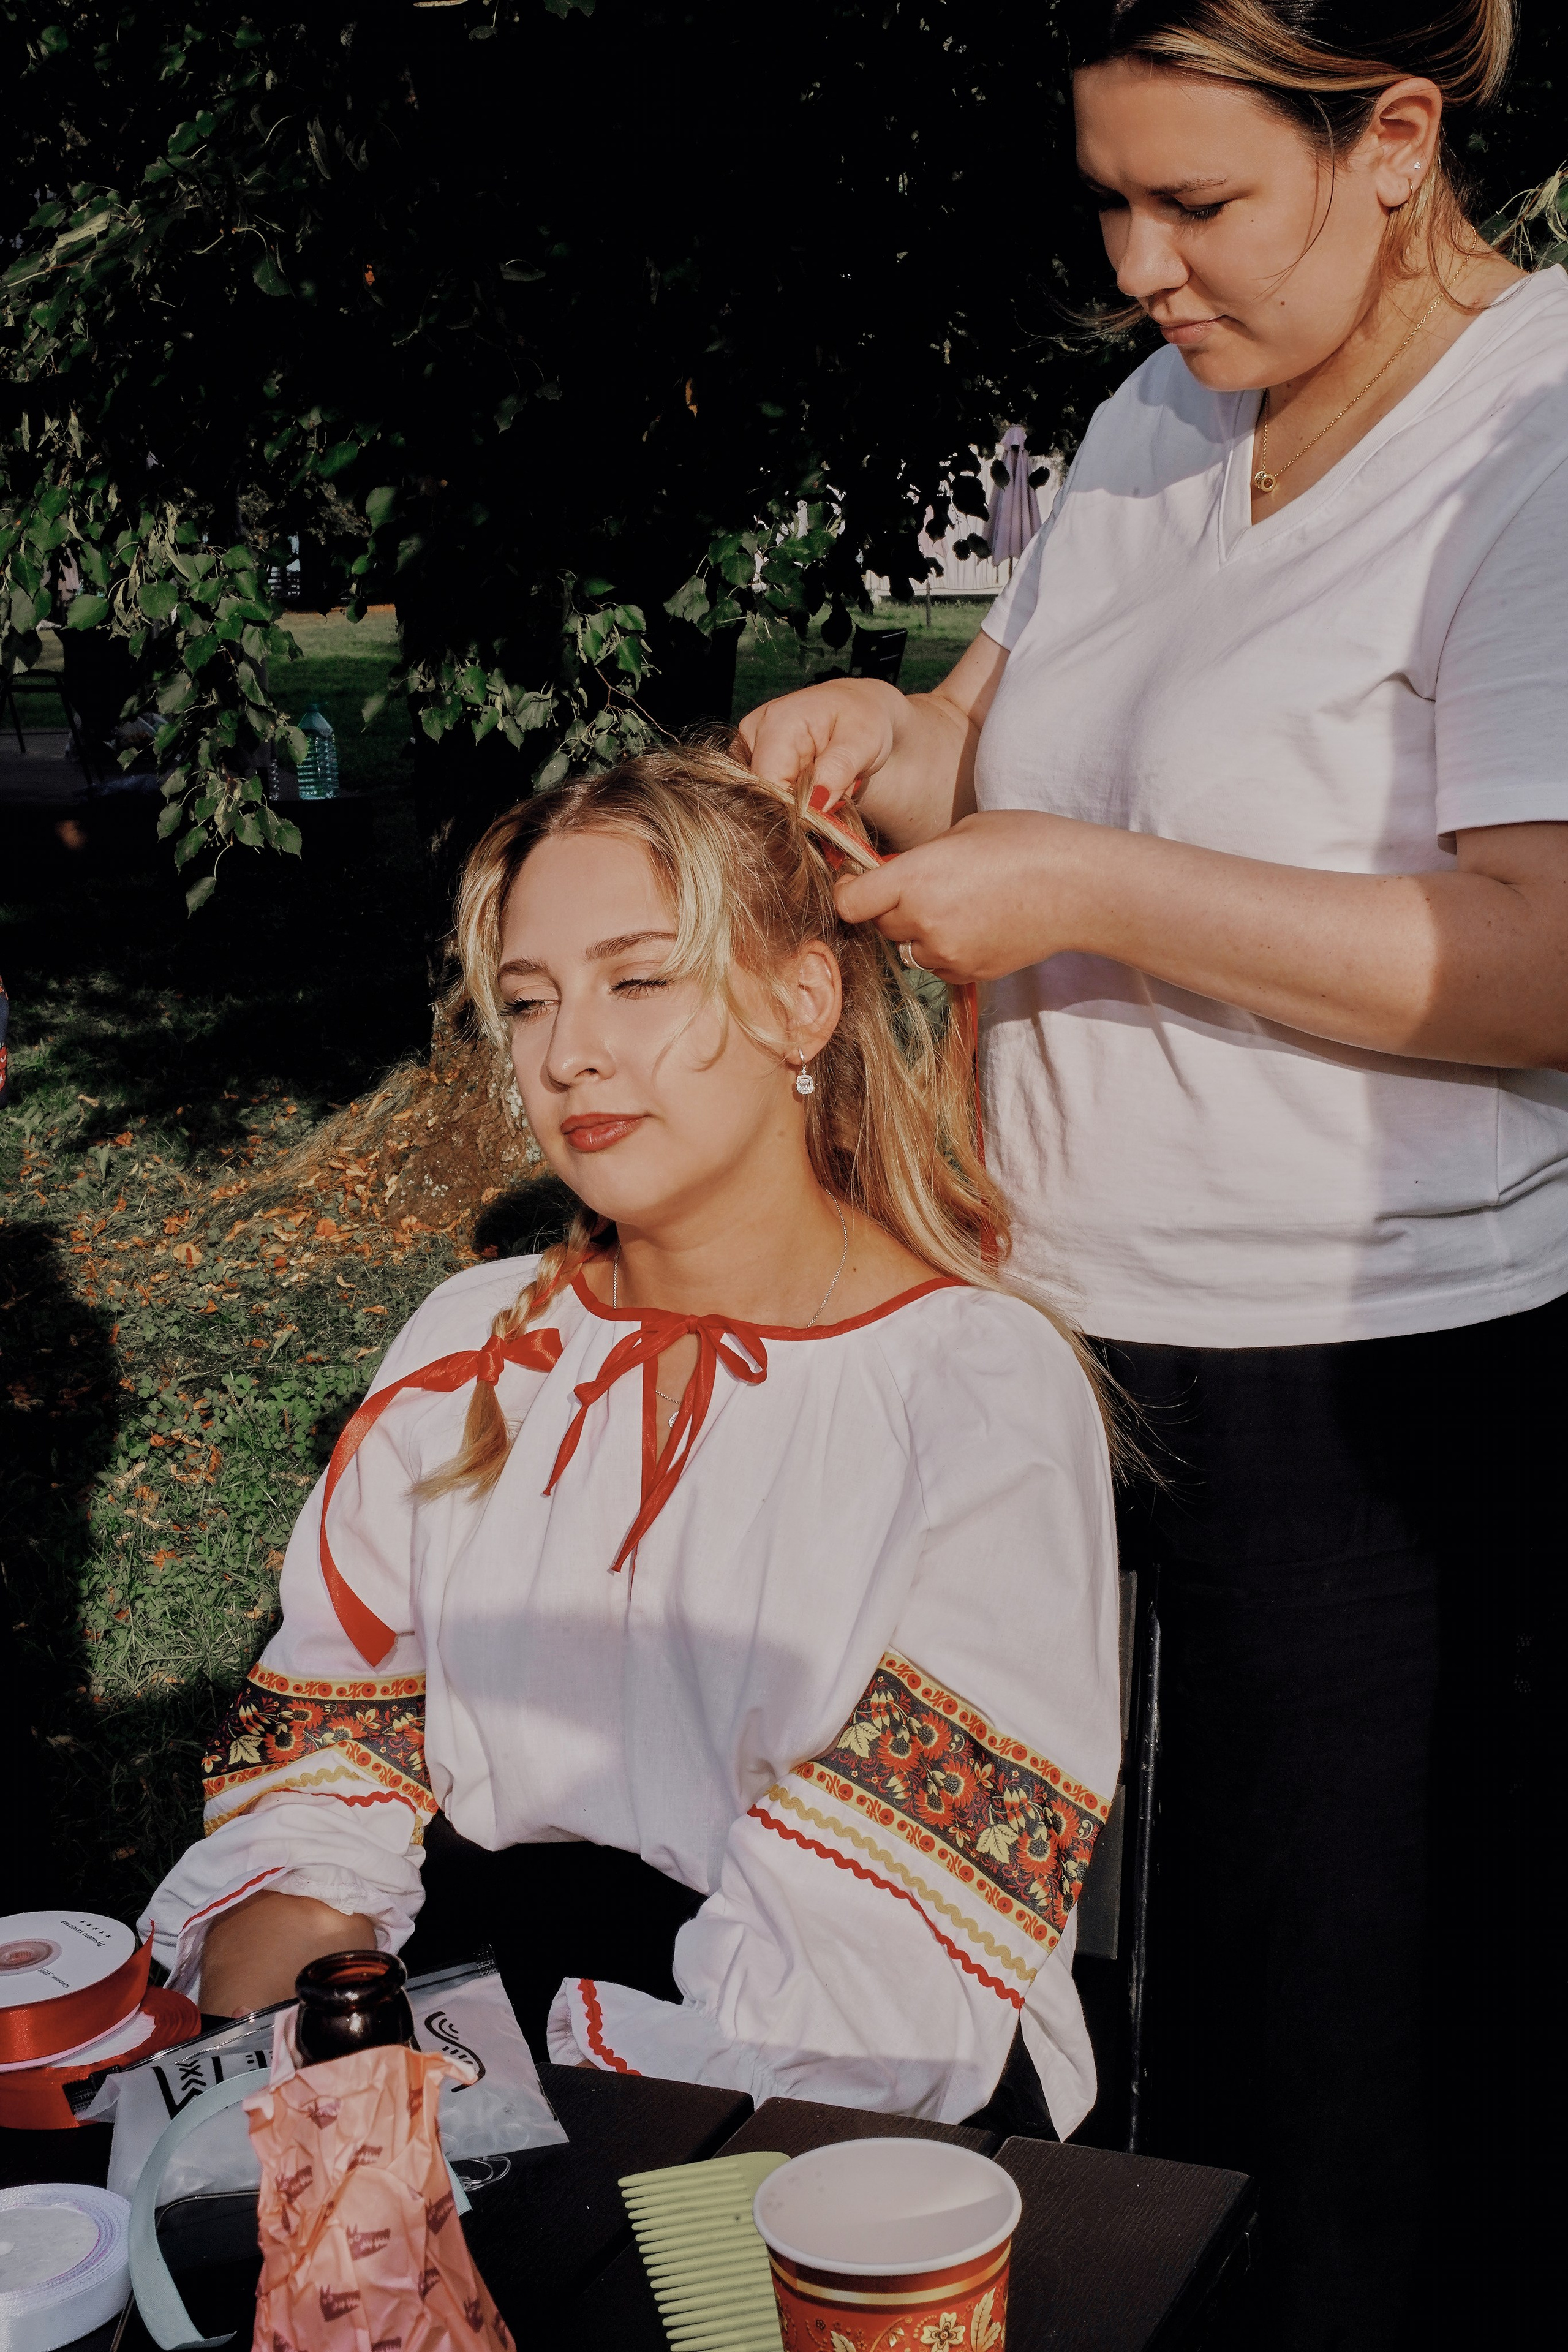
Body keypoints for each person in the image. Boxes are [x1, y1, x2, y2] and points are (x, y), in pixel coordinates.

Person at [737, 4, 1562, 2342]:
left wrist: (1086, 885)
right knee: (1018, 1965)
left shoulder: (1538, 437)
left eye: (1198, 203)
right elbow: (982, 748)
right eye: (1110, 200)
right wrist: (871, 734)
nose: (1141, 267)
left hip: (1373, 1388)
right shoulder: (1157, 410)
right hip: (1055, 1342)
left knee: (1353, 2058)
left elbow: (1541, 963)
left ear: (1396, 139)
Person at [143, 749, 1120, 2132]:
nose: (564, 1054)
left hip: (839, 2045)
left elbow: (887, 1928)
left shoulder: (963, 1381)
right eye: (529, 1000)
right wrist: (279, 2022)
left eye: (638, 979)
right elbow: (337, 1754)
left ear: (803, 1000)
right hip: (474, 1978)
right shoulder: (472, 1337)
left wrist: (572, 2108)